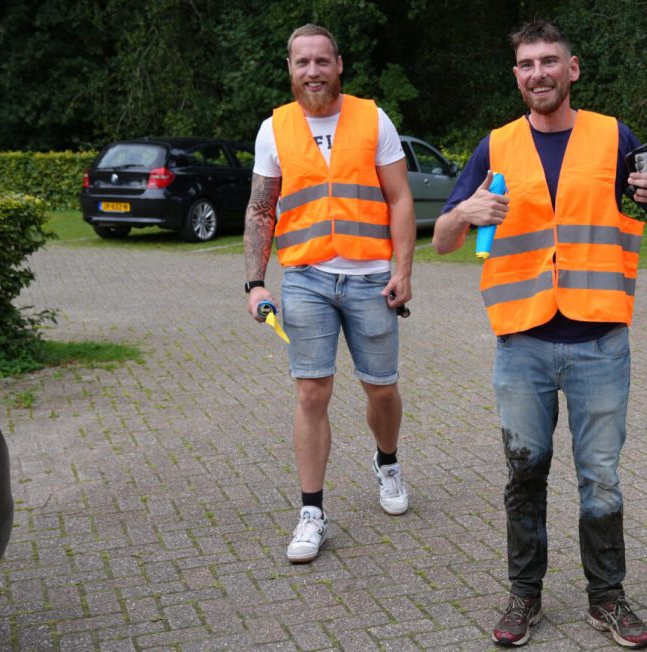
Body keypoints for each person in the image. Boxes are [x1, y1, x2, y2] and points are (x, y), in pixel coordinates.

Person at [432, 19, 647, 649]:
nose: (538, 73)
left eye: (549, 61)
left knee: (600, 475)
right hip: (521, 342)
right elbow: (441, 241)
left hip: (600, 341)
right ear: (516, 76)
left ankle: (608, 599)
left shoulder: (613, 137)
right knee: (524, 473)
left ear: (571, 69)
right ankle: (525, 595)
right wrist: (463, 212)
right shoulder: (495, 147)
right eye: (527, 64)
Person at [244, 23, 416, 564]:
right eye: (303, 62)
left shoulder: (373, 118)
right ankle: (312, 512)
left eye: (322, 61)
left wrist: (403, 270)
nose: (313, 71)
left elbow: (400, 198)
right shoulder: (274, 129)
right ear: (290, 69)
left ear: (339, 64)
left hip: (371, 278)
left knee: (381, 390)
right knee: (311, 394)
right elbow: (260, 209)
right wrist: (255, 282)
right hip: (306, 279)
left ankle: (387, 461)